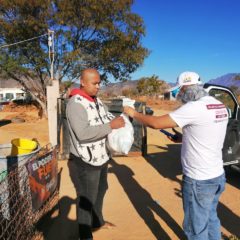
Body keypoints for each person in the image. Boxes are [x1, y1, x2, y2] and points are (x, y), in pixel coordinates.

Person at [123, 71, 228, 240]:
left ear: (187, 88)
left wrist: (133, 113)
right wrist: (183, 137)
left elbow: (156, 123)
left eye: (179, 91)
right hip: (217, 176)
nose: (178, 95)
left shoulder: (194, 107)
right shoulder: (218, 104)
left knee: (196, 229)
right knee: (211, 219)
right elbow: (207, 130)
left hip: (198, 180)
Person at [66, 68, 125, 240]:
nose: (98, 86)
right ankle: (85, 235)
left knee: (101, 189)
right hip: (86, 160)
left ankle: (98, 222)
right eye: (94, 83)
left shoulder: (96, 101)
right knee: (86, 198)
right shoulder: (76, 104)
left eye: (99, 83)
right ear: (82, 82)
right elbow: (82, 134)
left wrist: (123, 119)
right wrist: (111, 126)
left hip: (101, 156)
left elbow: (107, 118)